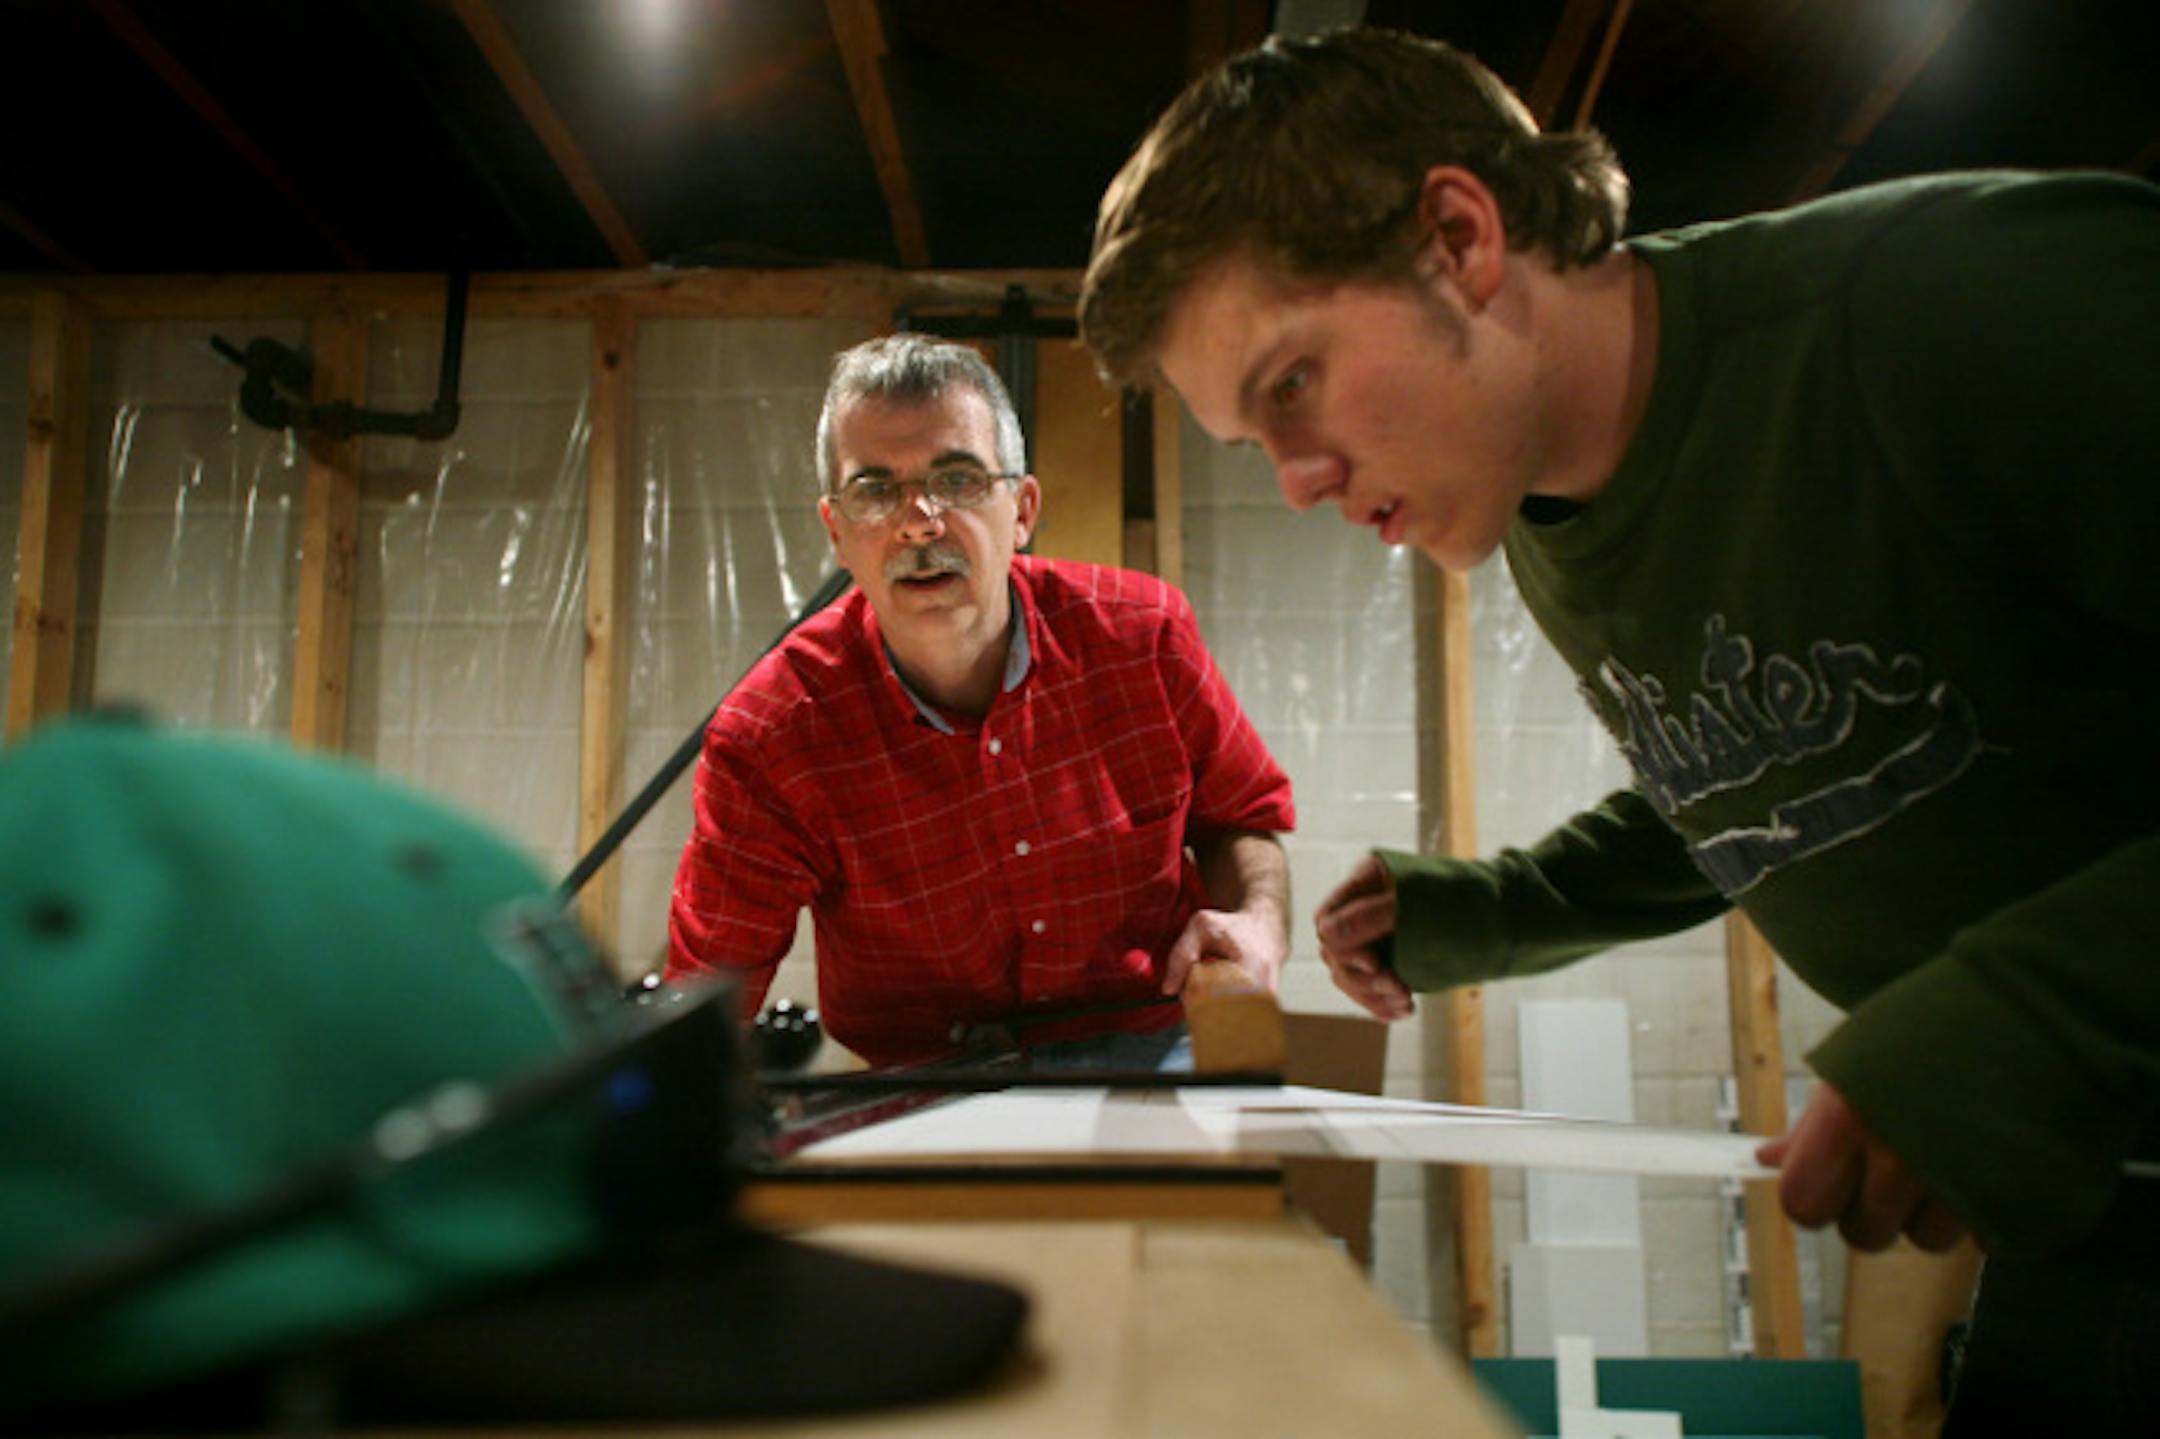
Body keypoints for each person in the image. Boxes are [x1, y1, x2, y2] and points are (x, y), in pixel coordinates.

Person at [1079, 24, 2159, 1435]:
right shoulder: (1538, 517)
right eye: (1251, 440)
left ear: (1459, 235)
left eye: (1294, 381)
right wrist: (1493, 908)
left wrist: (2034, 1022)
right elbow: (1783, 771)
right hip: (2103, 1196)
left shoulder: (1964, 301)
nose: (1294, 481)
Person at [666, 334, 1294, 1071]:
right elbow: (712, 984)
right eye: (874, 489)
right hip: (925, 1077)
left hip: (1146, 1046)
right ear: (837, 530)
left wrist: (1258, 920)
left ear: (1022, 508)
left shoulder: (1143, 637)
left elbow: (1240, 819)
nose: (919, 522)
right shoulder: (771, 734)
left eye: (957, 478)